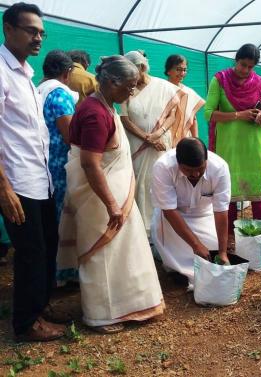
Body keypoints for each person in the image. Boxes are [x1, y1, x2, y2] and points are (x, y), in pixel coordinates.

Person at [57, 55, 165, 333]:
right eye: (128, 86)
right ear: (110, 81)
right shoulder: (95, 113)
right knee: (102, 255)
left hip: (112, 195)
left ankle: (125, 306)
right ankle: (102, 315)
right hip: (100, 200)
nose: (132, 92)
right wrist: (111, 205)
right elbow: (90, 164)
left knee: (120, 253)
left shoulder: (104, 104)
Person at [0, 2, 65, 341]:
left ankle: (39, 306)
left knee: (47, 246)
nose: (38, 37)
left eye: (41, 32)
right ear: (8, 29)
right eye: (31, 30)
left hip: (40, 178)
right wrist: (4, 189)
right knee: (30, 253)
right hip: (18, 181)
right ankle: (26, 324)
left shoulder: (25, 73)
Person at [204, 43, 261, 244]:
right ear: (236, 60)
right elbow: (208, 113)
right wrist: (239, 115)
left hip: (253, 145)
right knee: (229, 191)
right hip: (229, 146)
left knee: (258, 193)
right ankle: (230, 238)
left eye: (250, 67)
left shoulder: (259, 82)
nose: (245, 71)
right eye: (242, 65)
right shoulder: (220, 80)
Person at [151, 137, 230, 288]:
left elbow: (221, 211)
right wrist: (196, 245)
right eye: (188, 170)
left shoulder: (220, 168)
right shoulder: (163, 167)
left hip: (203, 214)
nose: (195, 174)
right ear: (178, 163)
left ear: (207, 159)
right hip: (173, 216)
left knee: (212, 249)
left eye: (200, 168)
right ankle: (173, 266)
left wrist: (223, 252)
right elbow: (169, 211)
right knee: (176, 254)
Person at [121, 50, 184, 236]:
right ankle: (144, 231)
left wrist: (158, 134)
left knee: (162, 181)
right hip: (138, 145)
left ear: (141, 67)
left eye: (132, 71)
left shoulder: (162, 86)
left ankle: (166, 226)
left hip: (161, 142)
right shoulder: (127, 87)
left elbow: (173, 114)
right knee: (141, 183)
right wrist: (146, 138)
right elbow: (125, 118)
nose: (129, 76)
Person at [37, 50, 78, 222]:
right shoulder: (59, 94)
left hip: (42, 163)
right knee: (64, 215)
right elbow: (71, 137)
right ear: (67, 72)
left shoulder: (37, 90)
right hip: (60, 165)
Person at [164, 54, 205, 145]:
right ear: (168, 70)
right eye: (178, 69)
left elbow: (193, 119)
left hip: (185, 140)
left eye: (184, 70)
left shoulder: (188, 92)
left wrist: (196, 141)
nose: (182, 73)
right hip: (165, 140)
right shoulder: (162, 89)